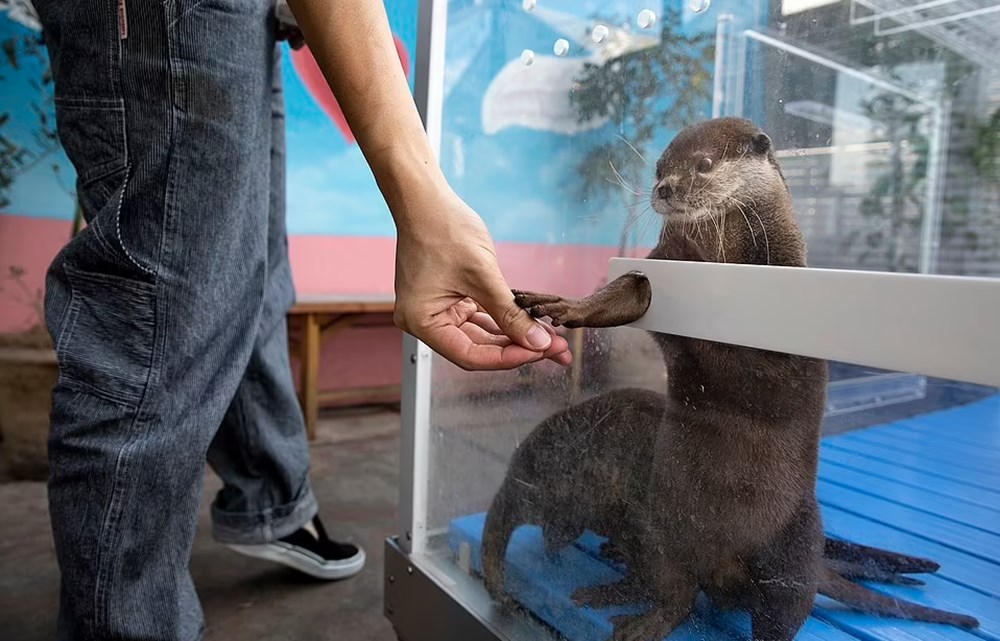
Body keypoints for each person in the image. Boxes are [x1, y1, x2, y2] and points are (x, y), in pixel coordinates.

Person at [32, 0, 572, 638]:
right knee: (155, 324)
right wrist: (423, 202)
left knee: (244, 276)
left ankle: (272, 499)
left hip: (250, 18)